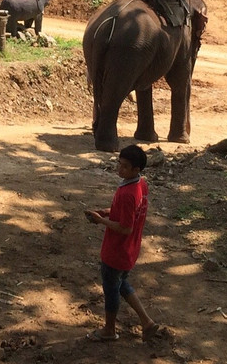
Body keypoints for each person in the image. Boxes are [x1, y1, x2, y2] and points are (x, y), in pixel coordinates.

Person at [84, 145, 165, 343]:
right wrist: (107, 212)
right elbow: (129, 213)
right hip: (130, 250)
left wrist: (100, 221)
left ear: (136, 169)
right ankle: (147, 322)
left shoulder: (128, 193)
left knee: (111, 289)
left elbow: (126, 228)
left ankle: (109, 330)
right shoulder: (140, 185)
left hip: (117, 251)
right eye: (119, 164)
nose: (120, 169)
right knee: (121, 284)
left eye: (125, 167)